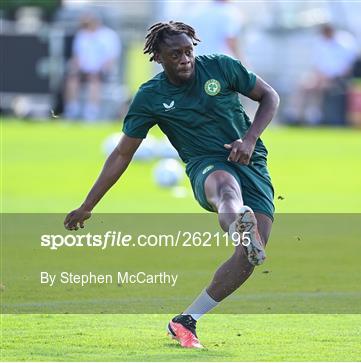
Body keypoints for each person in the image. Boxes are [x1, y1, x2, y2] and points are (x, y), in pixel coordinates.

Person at [63, 21, 279, 349]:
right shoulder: (151, 96)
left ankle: (186, 320)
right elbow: (122, 154)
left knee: (248, 258)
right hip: (205, 164)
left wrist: (249, 139)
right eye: (175, 54)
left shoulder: (221, 66)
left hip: (251, 161)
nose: (185, 58)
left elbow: (269, 97)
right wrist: (88, 205)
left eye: (189, 51)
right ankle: (240, 223)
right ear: (159, 58)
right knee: (225, 189)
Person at [286, 23, 357, 125]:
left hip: (339, 79)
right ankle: (295, 115)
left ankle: (314, 116)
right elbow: (317, 65)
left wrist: (329, 77)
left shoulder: (346, 42)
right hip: (321, 76)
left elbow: (347, 67)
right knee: (303, 85)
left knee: (318, 87)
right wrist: (321, 76)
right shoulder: (319, 42)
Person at [63, 11, 121, 121]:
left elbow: (111, 58)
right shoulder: (82, 35)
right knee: (71, 79)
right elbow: (77, 56)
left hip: (102, 70)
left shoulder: (109, 35)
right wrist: (76, 67)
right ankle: (71, 110)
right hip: (84, 70)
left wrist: (100, 68)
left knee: (94, 79)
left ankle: (91, 112)